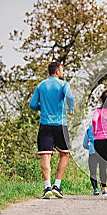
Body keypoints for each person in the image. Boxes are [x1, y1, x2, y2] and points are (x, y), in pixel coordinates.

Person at [29, 61, 74, 199]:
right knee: (65, 154)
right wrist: (70, 109)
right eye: (62, 70)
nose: (63, 72)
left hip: (45, 124)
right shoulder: (63, 84)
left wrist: (42, 109)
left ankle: (47, 187)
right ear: (57, 71)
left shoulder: (41, 85)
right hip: (60, 124)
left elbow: (32, 105)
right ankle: (57, 186)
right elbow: (70, 97)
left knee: (45, 155)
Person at [92, 90, 107, 195]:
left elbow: (94, 120)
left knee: (102, 164)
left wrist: (94, 130)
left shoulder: (98, 110)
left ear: (101, 99)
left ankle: (103, 189)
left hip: (99, 139)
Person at [83, 125, 103, 196]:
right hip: (102, 153)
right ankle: (103, 188)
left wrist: (91, 148)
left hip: (92, 153)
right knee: (102, 170)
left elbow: (84, 144)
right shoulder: (103, 127)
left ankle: (95, 189)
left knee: (93, 172)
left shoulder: (89, 129)